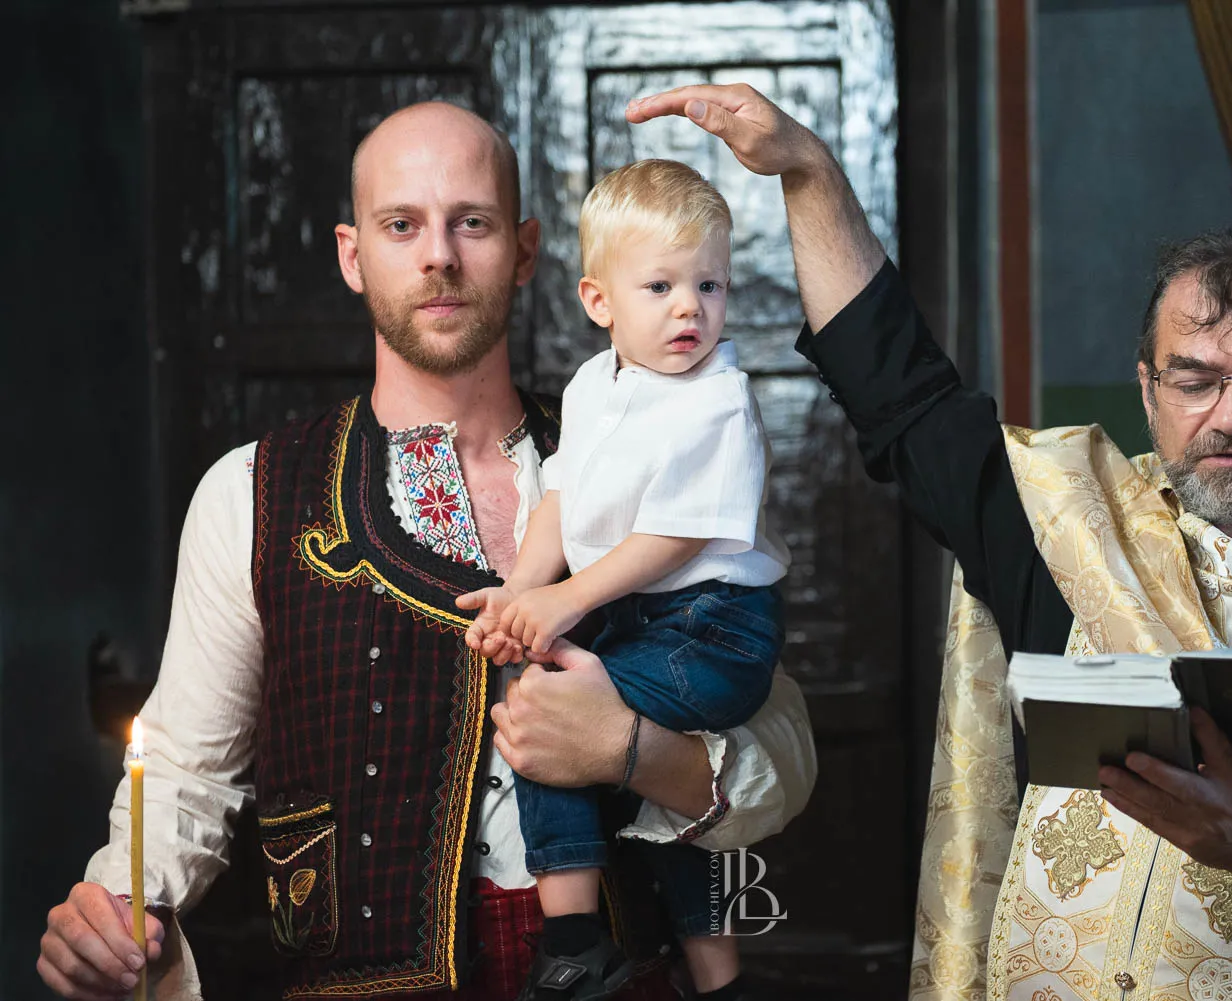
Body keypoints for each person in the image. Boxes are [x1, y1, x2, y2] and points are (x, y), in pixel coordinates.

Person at [626, 83, 1232, 1001]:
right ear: (1148, 389)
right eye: (1195, 379)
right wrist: (807, 172)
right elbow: (903, 398)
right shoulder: (1078, 532)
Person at [37, 102, 815, 1001]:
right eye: (401, 225)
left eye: (472, 223)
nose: (439, 255)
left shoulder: (659, 450)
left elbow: (782, 753)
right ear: (352, 255)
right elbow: (185, 772)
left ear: (524, 251)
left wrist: (627, 749)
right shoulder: (249, 492)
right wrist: (120, 903)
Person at [458, 159, 788, 1000]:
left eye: (709, 284)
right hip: (642, 617)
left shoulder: (718, 399)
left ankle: (573, 941)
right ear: (599, 301)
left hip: (715, 628)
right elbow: (560, 500)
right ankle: (712, 977)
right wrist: (520, 590)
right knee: (659, 800)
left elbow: (678, 535)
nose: (690, 308)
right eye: (661, 286)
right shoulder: (592, 387)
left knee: (551, 718)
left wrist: (566, 599)